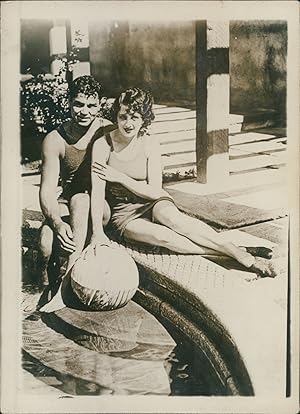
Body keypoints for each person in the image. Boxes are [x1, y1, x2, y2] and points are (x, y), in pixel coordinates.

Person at [90, 87, 276, 278]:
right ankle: (237, 251)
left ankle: (243, 257)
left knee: (177, 221)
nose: (128, 123)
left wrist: (120, 177)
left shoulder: (150, 144)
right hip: (123, 213)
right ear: (116, 116)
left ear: (144, 118)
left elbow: (155, 192)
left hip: (151, 202)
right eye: (123, 117)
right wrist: (97, 232)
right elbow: (96, 193)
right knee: (164, 237)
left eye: (135, 117)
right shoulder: (103, 145)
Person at [38, 75, 111, 312]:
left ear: (99, 104)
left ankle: (65, 287)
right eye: (78, 104)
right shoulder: (55, 139)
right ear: (69, 103)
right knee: (45, 242)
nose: (84, 111)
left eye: (91, 105)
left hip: (101, 205)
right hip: (68, 201)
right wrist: (58, 224)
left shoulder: (107, 131)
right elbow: (47, 191)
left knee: (81, 199)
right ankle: (43, 290)